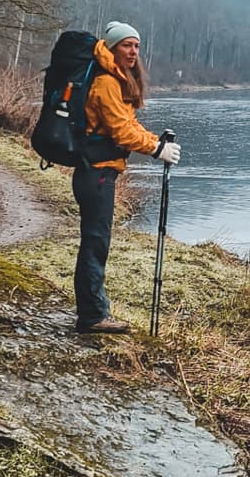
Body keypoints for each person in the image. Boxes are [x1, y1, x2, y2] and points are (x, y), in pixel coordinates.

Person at [72, 20, 180, 334]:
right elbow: (121, 133)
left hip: (100, 173)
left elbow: (129, 125)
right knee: (95, 242)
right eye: (126, 45)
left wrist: (156, 143)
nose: (133, 52)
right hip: (97, 174)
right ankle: (92, 316)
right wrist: (156, 150)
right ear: (112, 47)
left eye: (136, 46)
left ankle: (92, 310)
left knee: (95, 241)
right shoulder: (106, 82)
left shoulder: (117, 80)